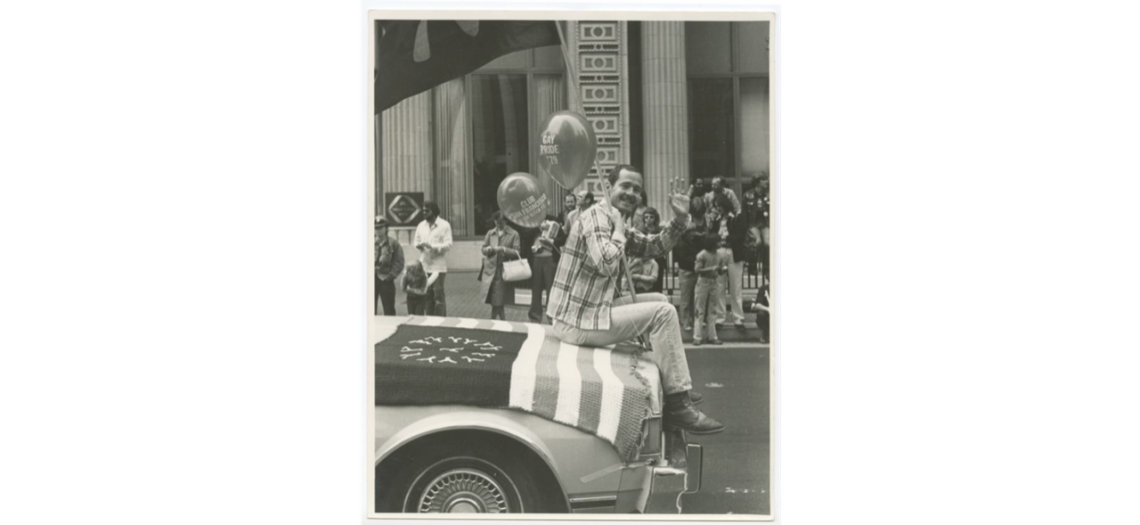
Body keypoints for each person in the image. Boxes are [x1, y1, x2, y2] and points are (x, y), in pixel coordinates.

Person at [547, 164, 724, 434]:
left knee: (660, 301)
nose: (631, 193)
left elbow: (654, 246)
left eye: (637, 190)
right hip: (577, 323)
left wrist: (679, 219)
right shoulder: (598, 216)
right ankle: (677, 404)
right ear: (609, 186)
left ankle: (673, 383)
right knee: (663, 314)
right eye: (625, 186)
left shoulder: (614, 218)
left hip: (591, 311)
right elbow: (606, 262)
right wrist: (619, 230)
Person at [709, 194, 749, 329]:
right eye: (716, 207)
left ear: (725, 205)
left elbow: (740, 235)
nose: (718, 209)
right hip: (719, 252)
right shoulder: (715, 220)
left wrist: (726, 238)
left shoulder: (736, 217)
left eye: (719, 206)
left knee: (735, 286)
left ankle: (738, 318)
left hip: (734, 253)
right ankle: (720, 318)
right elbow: (711, 235)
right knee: (719, 286)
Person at [672, 198, 707, 331]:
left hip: (697, 266)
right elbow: (682, 256)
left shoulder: (704, 224)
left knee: (697, 298)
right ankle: (685, 321)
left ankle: (696, 319)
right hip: (686, 267)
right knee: (686, 298)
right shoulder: (682, 241)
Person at [412, 201, 452, 316]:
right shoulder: (421, 225)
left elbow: (449, 245)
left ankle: (441, 322)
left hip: (438, 267)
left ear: (434, 212)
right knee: (427, 295)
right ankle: (429, 321)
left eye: (427, 211)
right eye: (423, 211)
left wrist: (432, 246)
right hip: (424, 266)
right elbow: (416, 241)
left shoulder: (444, 225)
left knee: (438, 295)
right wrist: (418, 245)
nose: (424, 213)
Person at [480, 211, 521, 320]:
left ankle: (493, 322)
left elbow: (517, 252)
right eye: (496, 222)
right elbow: (483, 248)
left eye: (501, 222)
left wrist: (503, 249)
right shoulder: (490, 233)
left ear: (506, 221)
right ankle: (502, 321)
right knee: (496, 299)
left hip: (503, 270)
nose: (498, 224)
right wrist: (487, 249)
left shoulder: (514, 234)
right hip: (490, 270)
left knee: (497, 299)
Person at [693, 234, 726, 345]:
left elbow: (720, 270)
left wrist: (722, 270)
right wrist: (712, 268)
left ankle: (712, 336)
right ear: (712, 243)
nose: (720, 243)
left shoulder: (719, 255)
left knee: (713, 310)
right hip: (703, 282)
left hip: (714, 282)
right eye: (718, 241)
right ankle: (697, 336)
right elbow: (697, 270)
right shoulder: (702, 254)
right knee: (700, 309)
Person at [529, 214, 561, 323]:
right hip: (536, 258)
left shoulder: (553, 219)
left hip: (550, 259)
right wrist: (537, 227)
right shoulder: (533, 223)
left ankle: (551, 317)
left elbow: (562, 238)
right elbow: (525, 234)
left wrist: (548, 231)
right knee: (536, 289)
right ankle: (535, 317)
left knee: (550, 289)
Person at [375, 216, 405, 316]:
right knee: (368, 310)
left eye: (381, 227)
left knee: (389, 310)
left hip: (386, 280)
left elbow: (399, 262)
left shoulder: (393, 244)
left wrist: (391, 276)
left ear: (386, 228)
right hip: (370, 280)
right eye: (376, 228)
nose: (378, 230)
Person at [634, 207, 668, 294]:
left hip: (657, 259)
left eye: (651, 217)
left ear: (655, 218)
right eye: (646, 217)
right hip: (643, 259)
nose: (648, 219)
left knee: (657, 284)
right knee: (642, 285)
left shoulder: (658, 230)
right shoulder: (639, 229)